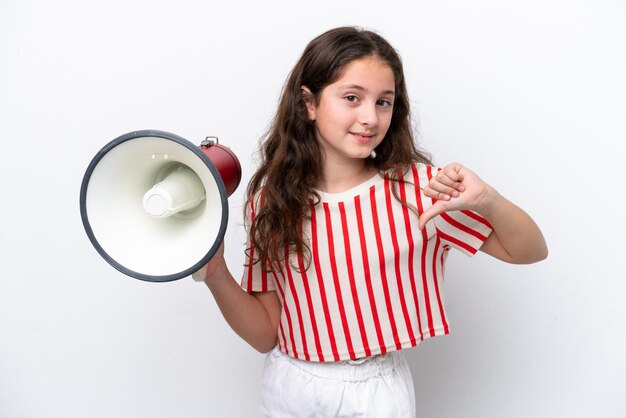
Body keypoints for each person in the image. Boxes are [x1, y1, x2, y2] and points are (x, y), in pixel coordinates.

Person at [193, 26, 547, 417]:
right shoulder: (271, 201)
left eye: (384, 102)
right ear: (308, 103)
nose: (370, 117)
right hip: (287, 384)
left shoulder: (419, 189)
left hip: (374, 391)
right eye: (351, 98)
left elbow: (529, 250)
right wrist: (215, 272)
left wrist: (487, 200)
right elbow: (265, 334)